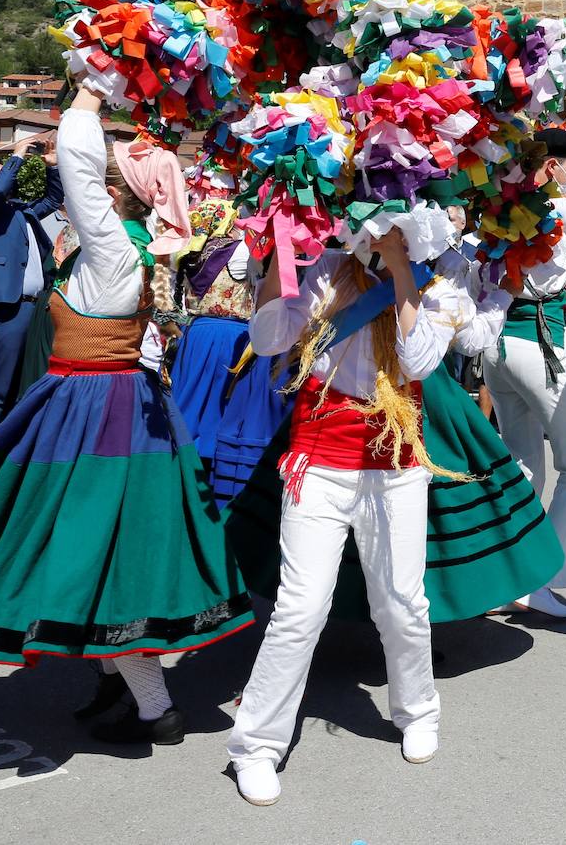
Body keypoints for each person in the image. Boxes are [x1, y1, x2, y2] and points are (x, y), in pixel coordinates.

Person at [0, 86, 254, 746]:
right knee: (96, 547)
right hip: (103, 407)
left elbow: (78, 164)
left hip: (99, 412)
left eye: (96, 192)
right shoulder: (118, 250)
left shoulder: (111, 249)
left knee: (91, 551)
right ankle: (121, 685)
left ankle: (152, 706)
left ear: (112, 199)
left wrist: (91, 92)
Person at [224, 226, 465, 807]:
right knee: (300, 606)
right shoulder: (326, 265)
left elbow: (420, 362)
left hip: (396, 463)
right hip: (318, 459)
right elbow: (268, 335)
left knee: (401, 603)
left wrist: (401, 266)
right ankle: (256, 746)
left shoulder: (444, 278)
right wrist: (275, 258)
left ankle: (416, 711)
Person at [481, 128, 566, 617]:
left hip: (498, 345)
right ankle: (539, 576)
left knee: (523, 466)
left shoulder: (498, 202)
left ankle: (502, 574)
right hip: (537, 345)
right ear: (552, 166)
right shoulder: (558, 206)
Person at [0, 138, 64, 436]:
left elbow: (53, 198)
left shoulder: (22, 211)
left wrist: (52, 165)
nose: (8, 172)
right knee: (0, 382)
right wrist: (17, 155)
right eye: (0, 169)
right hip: (7, 305)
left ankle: (11, 443)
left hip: (35, 306)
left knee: (26, 379)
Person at [168, 198, 256, 472]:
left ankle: (178, 462)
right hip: (232, 339)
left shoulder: (187, 252)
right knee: (221, 405)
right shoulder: (240, 251)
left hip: (195, 335)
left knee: (189, 400)